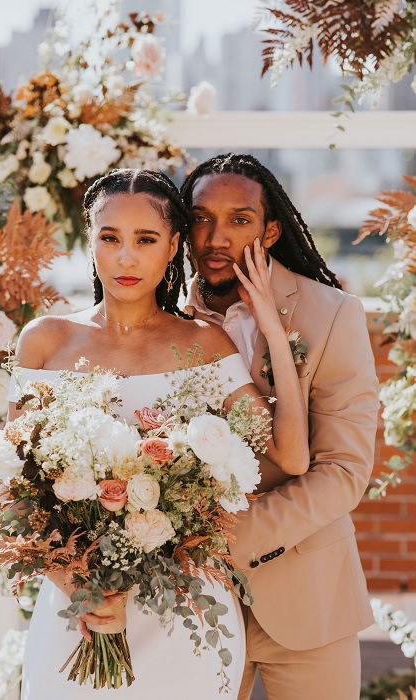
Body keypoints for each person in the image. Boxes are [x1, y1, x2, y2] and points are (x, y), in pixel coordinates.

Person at [6, 168, 310, 699]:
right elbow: (13, 492)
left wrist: (270, 328)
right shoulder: (45, 342)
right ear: (90, 239)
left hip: (183, 614)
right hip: (79, 610)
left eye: (145, 240)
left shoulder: (205, 344)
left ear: (173, 246)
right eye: (110, 238)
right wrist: (83, 588)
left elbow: (291, 455)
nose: (126, 258)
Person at [181, 153, 380, 700]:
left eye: (239, 219)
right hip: (189, 604)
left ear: (270, 230)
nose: (216, 237)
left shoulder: (333, 313)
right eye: (201, 218)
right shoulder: (162, 322)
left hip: (308, 599)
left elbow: (343, 471)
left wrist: (227, 539)